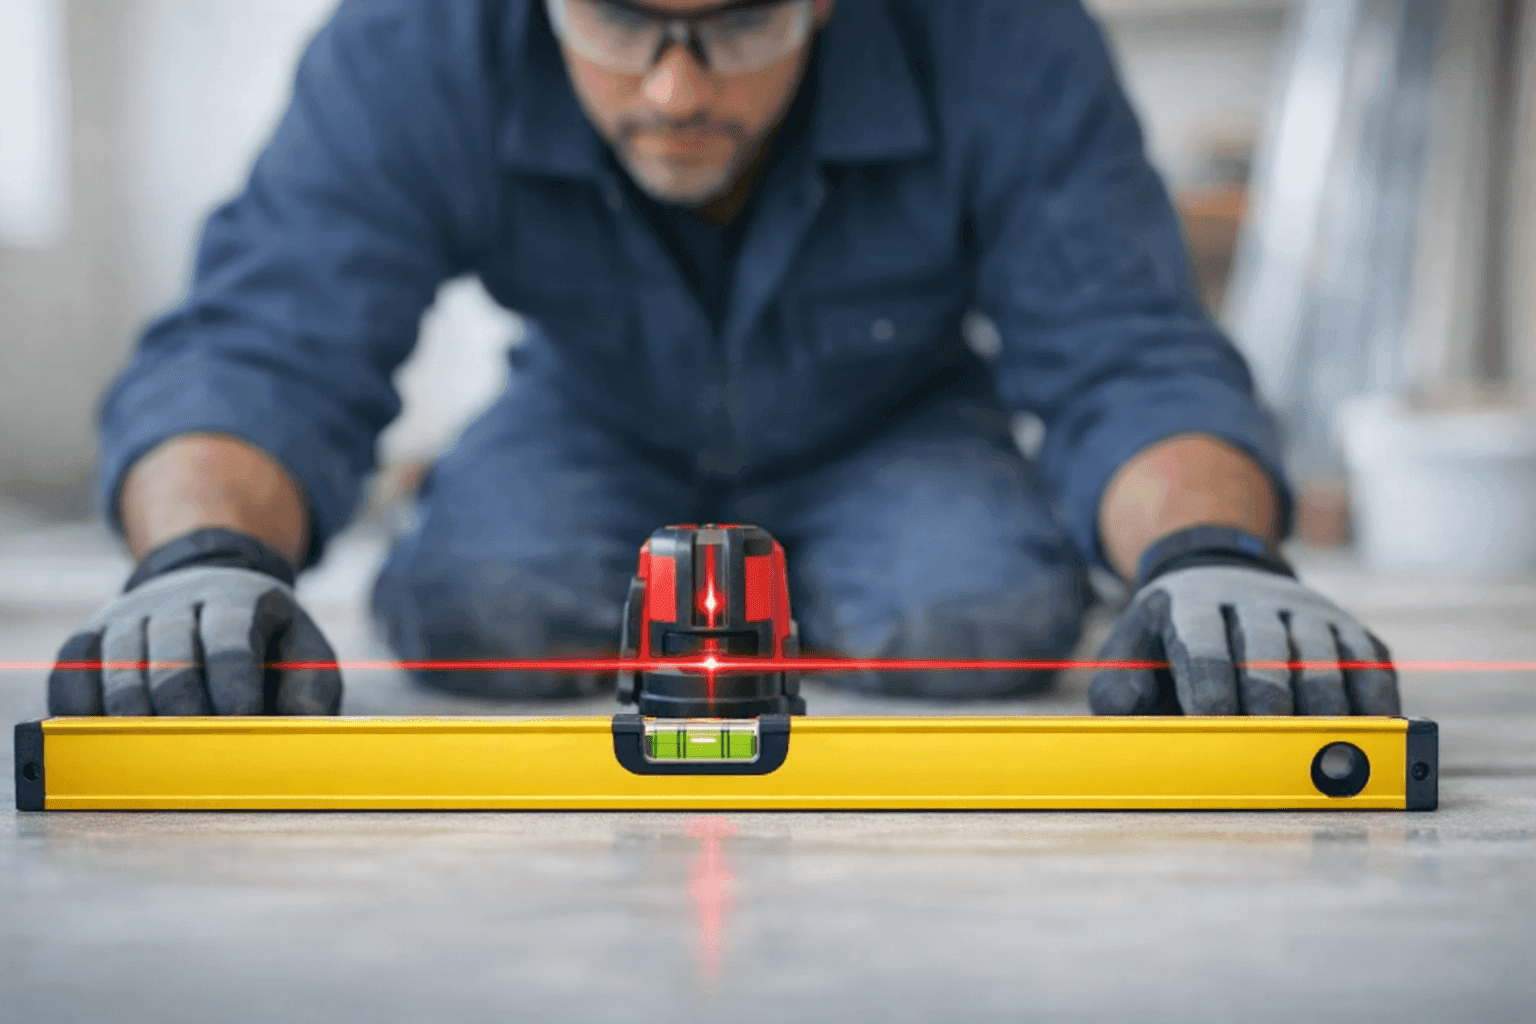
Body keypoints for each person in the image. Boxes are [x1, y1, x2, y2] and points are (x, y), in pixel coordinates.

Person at [47, 0, 1400, 719]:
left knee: (966, 621)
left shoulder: (1004, 32)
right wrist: (202, 561)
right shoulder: (415, 40)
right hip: (592, 410)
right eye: (620, 24)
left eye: (740, 25)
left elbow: (1127, 348)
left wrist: (1210, 555)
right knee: (480, 613)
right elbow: (264, 339)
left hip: (900, 420)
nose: (677, 89)